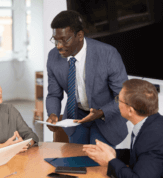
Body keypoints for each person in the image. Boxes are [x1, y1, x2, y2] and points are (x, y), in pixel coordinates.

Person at [46, 10, 128, 146]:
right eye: (55, 40)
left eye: (64, 40)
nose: (59, 46)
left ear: (79, 35)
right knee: (75, 162)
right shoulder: (53, 57)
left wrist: (101, 112)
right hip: (75, 117)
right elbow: (54, 94)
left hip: (105, 118)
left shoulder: (108, 54)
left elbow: (124, 96)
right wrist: (53, 114)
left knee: (97, 164)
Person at [83, 79, 163, 178]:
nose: (117, 104)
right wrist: (114, 153)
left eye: (118, 100)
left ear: (130, 110)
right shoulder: (160, 123)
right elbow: (142, 154)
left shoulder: (154, 139)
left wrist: (110, 161)